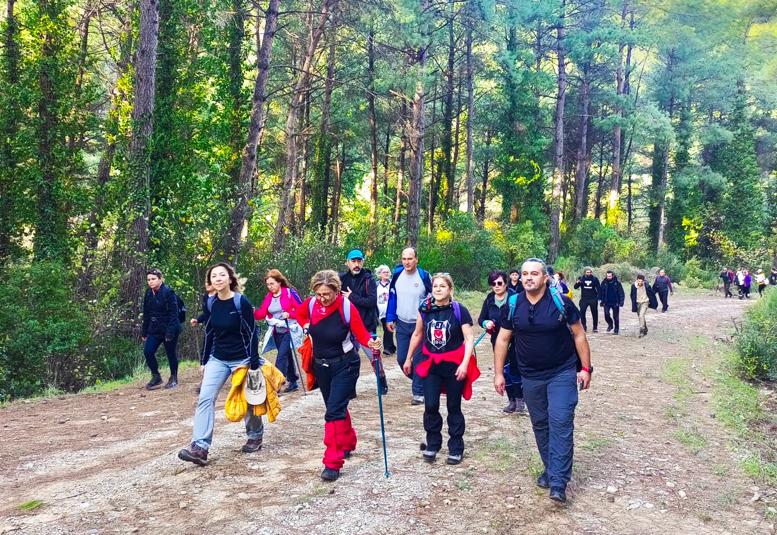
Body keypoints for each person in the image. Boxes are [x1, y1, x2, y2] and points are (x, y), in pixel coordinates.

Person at [493, 258, 592, 504]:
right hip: (530, 375)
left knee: (560, 420)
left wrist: (586, 368)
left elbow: (579, 335)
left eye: (534, 273)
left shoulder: (561, 303)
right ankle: (551, 468)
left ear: (545, 278)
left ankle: (558, 482)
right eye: (525, 273)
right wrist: (498, 373)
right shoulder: (513, 304)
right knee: (540, 423)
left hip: (562, 372)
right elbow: (503, 340)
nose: (528, 277)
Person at [296, 270, 382, 481]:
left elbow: (361, 333)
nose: (322, 298)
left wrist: (372, 343)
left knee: (333, 411)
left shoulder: (346, 307)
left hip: (346, 365)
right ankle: (348, 441)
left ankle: (332, 462)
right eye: (319, 294)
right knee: (336, 407)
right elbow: (299, 314)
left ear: (336, 291)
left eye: (327, 294)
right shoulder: (311, 304)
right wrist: (305, 325)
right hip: (321, 366)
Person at [178, 262, 263, 466]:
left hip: (243, 358)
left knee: (249, 399)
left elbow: (253, 332)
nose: (217, 278)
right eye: (213, 276)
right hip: (218, 358)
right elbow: (209, 332)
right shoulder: (210, 303)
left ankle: (255, 435)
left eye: (222, 275)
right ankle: (200, 447)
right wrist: (204, 360)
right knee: (205, 398)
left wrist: (253, 362)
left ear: (230, 279)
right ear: (210, 281)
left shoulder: (241, 302)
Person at [403, 273, 478, 465]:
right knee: (430, 405)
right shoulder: (425, 309)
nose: (438, 289)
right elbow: (417, 334)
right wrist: (408, 358)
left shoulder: (459, 310)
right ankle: (433, 443)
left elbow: (469, 338)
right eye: (435, 286)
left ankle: (456, 447)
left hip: (453, 364)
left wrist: (464, 364)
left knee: (453, 406)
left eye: (442, 286)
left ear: (450, 289)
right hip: (431, 364)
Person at [385, 247, 433, 405]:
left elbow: (433, 298)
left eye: (410, 259)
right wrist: (390, 317)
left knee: (418, 359)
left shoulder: (424, 276)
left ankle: (418, 392)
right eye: (404, 259)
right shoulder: (397, 275)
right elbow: (393, 297)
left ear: (416, 260)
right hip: (402, 324)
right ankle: (425, 381)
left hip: (420, 325)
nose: (407, 262)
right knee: (401, 358)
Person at [478, 271, 525, 414]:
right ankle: (511, 400)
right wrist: (486, 323)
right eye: (493, 284)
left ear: (505, 283)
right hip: (497, 340)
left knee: (515, 369)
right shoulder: (489, 299)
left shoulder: (515, 298)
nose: (496, 286)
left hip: (516, 340)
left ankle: (520, 400)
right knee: (504, 370)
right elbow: (481, 319)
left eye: (499, 283)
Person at [254, 269, 303, 393]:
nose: (270, 287)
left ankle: (275, 385)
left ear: (279, 282)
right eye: (268, 284)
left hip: (289, 329)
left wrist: (290, 314)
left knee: (281, 357)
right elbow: (262, 313)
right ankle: (293, 381)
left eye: (272, 283)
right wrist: (252, 312)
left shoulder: (289, 293)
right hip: (276, 331)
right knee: (286, 355)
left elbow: (301, 309)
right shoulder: (269, 297)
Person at [141, 268, 181, 390]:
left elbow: (174, 314)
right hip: (155, 329)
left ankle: (173, 377)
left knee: (170, 353)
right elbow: (146, 314)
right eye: (149, 279)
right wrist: (144, 331)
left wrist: (170, 332)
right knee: (148, 351)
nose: (151, 282)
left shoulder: (169, 292)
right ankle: (156, 377)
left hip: (170, 328)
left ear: (160, 279)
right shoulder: (148, 293)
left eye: (153, 279)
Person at [339, 249, 379, 354]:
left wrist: (351, 296)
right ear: (347, 262)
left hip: (367, 326)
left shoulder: (369, 279)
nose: (356, 264)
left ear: (363, 262)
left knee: (374, 358)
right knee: (349, 360)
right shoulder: (341, 279)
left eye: (359, 261)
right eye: (353, 261)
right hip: (348, 327)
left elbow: (372, 301)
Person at [375, 264, 396, 355]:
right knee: (386, 329)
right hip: (380, 312)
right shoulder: (376, 285)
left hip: (390, 312)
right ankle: (392, 347)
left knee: (388, 329)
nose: (386, 273)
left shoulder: (393, 284)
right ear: (380, 274)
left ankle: (387, 348)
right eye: (384, 272)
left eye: (388, 272)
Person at [574, 268, 600, 332]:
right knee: (582, 312)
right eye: (587, 272)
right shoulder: (581, 278)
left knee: (594, 313)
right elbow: (575, 287)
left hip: (593, 298)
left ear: (591, 273)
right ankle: (584, 326)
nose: (589, 273)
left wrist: (599, 297)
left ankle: (595, 327)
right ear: (585, 272)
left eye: (590, 272)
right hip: (584, 299)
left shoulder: (595, 279)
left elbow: (599, 288)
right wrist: (577, 283)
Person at [598, 270, 624, 335]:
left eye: (609, 276)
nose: (608, 277)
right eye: (607, 276)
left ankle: (616, 329)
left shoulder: (617, 283)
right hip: (606, 302)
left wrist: (621, 302)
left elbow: (621, 293)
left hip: (615, 302)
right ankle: (610, 324)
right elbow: (601, 292)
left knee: (616, 317)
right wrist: (600, 300)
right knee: (606, 315)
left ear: (612, 276)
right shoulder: (604, 282)